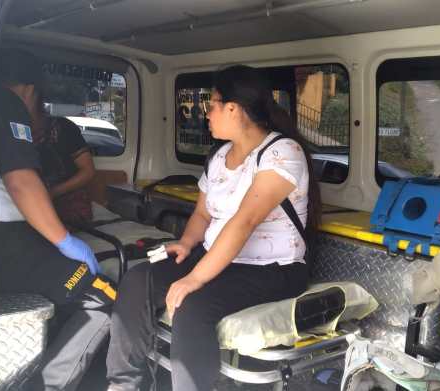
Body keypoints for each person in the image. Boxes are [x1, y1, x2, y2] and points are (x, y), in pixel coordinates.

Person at [105, 65, 321, 391]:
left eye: (212, 105)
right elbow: (203, 215)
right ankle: (123, 385)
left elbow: (244, 222)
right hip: (217, 256)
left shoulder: (282, 153)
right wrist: (188, 244)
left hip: (273, 269)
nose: (207, 114)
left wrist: (194, 279)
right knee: (139, 279)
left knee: (192, 307)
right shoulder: (220, 156)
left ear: (233, 109)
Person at [0, 48, 114, 391]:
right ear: (30, 89)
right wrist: (64, 241)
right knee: (101, 295)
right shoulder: (6, 105)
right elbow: (22, 181)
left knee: (66, 288)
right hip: (6, 237)